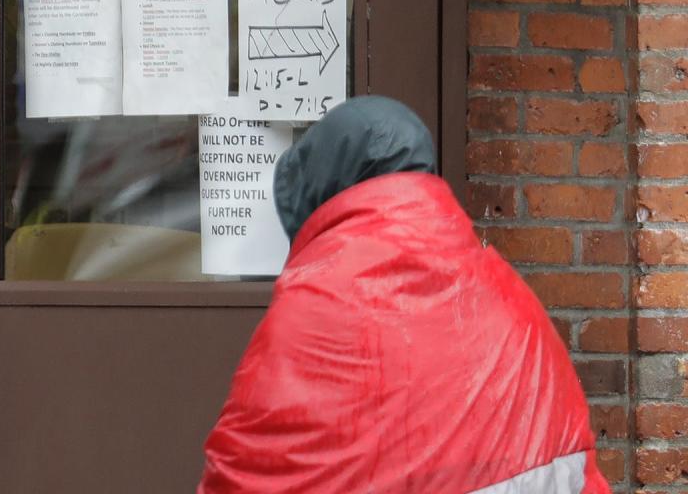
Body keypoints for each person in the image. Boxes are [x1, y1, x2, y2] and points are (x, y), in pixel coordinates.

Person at [197, 96, 610, 493]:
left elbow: (247, 473)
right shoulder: (505, 294)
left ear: (320, 187)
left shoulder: (312, 310)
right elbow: (572, 461)